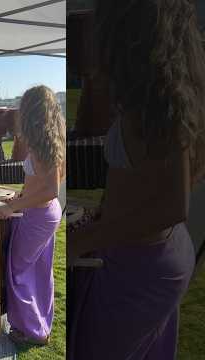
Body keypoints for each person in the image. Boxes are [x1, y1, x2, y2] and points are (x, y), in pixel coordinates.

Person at [67, 1, 205, 359]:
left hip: (141, 265)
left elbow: (173, 206)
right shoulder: (166, 95)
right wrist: (107, 213)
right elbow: (157, 181)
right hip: (159, 253)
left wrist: (82, 241)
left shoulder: (158, 103)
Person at [0, 86, 66, 345]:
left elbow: (50, 188)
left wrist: (14, 207)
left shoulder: (44, 141)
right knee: (39, 271)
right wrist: (20, 197)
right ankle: (39, 326)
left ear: (31, 111)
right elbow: (46, 181)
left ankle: (31, 332)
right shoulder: (56, 136)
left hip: (39, 215)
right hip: (43, 213)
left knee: (17, 272)